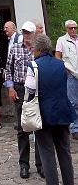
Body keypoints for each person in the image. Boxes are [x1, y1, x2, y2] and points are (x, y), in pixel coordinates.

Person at [25, 33, 76, 185]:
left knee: (47, 153)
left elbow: (30, 88)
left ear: (38, 49)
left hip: (43, 113)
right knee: (64, 152)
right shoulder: (61, 64)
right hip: (62, 111)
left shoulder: (33, 65)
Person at [5, 21, 44, 179]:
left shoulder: (39, 49)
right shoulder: (15, 48)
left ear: (35, 33)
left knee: (39, 127)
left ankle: (41, 165)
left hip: (37, 90)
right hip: (20, 89)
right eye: (24, 32)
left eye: (29, 33)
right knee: (22, 129)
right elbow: (8, 69)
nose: (26, 35)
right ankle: (24, 165)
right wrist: (10, 88)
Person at [55, 19, 78, 140]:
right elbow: (57, 57)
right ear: (66, 29)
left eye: (75, 27)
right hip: (71, 74)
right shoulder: (61, 40)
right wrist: (64, 70)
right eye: (71, 28)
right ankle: (75, 128)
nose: (73, 30)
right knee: (73, 102)